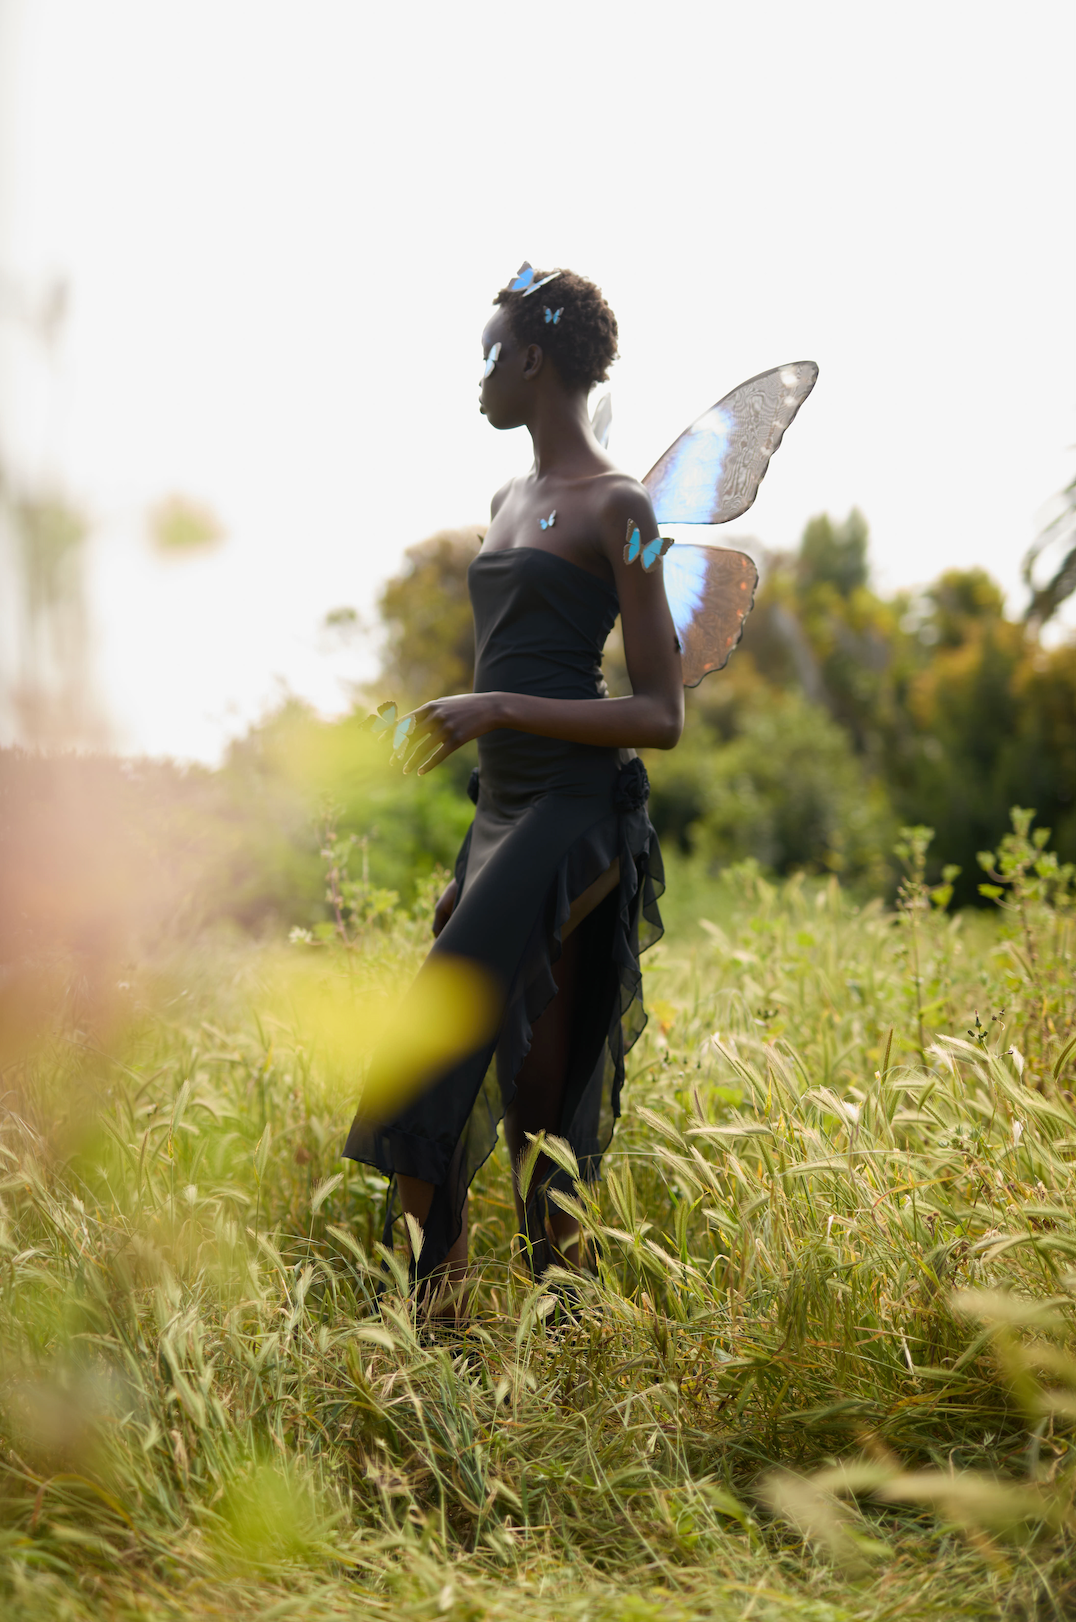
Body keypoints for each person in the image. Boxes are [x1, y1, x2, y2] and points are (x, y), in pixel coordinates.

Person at [343, 266, 683, 1314]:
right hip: (497, 809)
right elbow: (511, 656)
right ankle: (490, 1328)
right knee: (526, 1086)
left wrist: (490, 708)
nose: (479, 377)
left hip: (571, 811)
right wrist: (444, 722)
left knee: (436, 1060)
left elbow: (659, 712)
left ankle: (482, 1324)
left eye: (490, 354)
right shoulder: (504, 500)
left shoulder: (622, 508)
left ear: (532, 360)